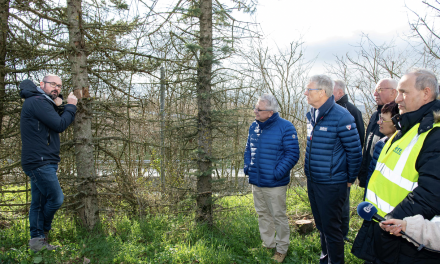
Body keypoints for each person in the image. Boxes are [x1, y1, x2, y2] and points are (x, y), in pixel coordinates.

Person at [352, 69, 440, 263]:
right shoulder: (408, 127)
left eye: (404, 92)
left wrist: (391, 221)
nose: (398, 99)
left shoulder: (434, 134)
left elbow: (432, 194)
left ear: (426, 93)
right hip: (384, 231)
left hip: (404, 240)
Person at [304, 75, 362, 264]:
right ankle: (325, 259)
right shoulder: (313, 114)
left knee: (332, 229)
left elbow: (354, 152)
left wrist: (349, 179)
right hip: (314, 181)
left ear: (322, 92)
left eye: (309, 89)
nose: (305, 93)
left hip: (332, 183)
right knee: (322, 226)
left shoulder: (342, 116)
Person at [20, 75, 77, 252]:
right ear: (41, 84)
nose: (56, 88)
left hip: (44, 160)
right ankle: (43, 232)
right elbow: (59, 125)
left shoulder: (42, 103)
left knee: (38, 202)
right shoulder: (37, 101)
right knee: (56, 198)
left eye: (59, 86)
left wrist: (58, 106)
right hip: (40, 161)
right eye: (53, 85)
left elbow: (50, 122)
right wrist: (71, 106)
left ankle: (37, 243)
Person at [244, 94, 300, 263]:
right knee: (263, 214)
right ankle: (268, 244)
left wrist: (277, 173)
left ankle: (282, 248)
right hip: (257, 180)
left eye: (258, 109)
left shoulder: (286, 127)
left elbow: (292, 154)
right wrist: (248, 168)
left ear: (270, 112)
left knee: (278, 216)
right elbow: (248, 150)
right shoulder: (254, 126)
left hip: (275, 183)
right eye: (255, 108)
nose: (255, 111)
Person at [333, 80, 366, 241]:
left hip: (344, 169)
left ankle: (343, 235)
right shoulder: (326, 110)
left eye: (330, 90)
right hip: (330, 170)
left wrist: (351, 172)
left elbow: (358, 142)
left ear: (339, 93)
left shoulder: (351, 111)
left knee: (343, 204)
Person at [357, 79, 397, 188]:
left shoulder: (398, 117)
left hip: (383, 182)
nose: (375, 94)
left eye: (379, 90)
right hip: (369, 177)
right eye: (375, 90)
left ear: (393, 92)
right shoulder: (375, 115)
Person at [364, 101, 399, 191]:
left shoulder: (400, 149)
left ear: (396, 122)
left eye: (383, 119)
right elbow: (371, 176)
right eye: (380, 118)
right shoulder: (380, 144)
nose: (379, 122)